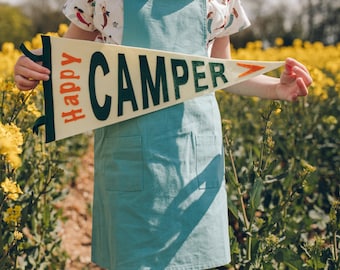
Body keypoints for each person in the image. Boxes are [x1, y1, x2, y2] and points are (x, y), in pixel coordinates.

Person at [14, 1, 312, 269]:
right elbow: (65, 60)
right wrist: (32, 64)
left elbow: (223, 71)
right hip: (128, 157)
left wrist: (275, 88)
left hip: (194, 154)